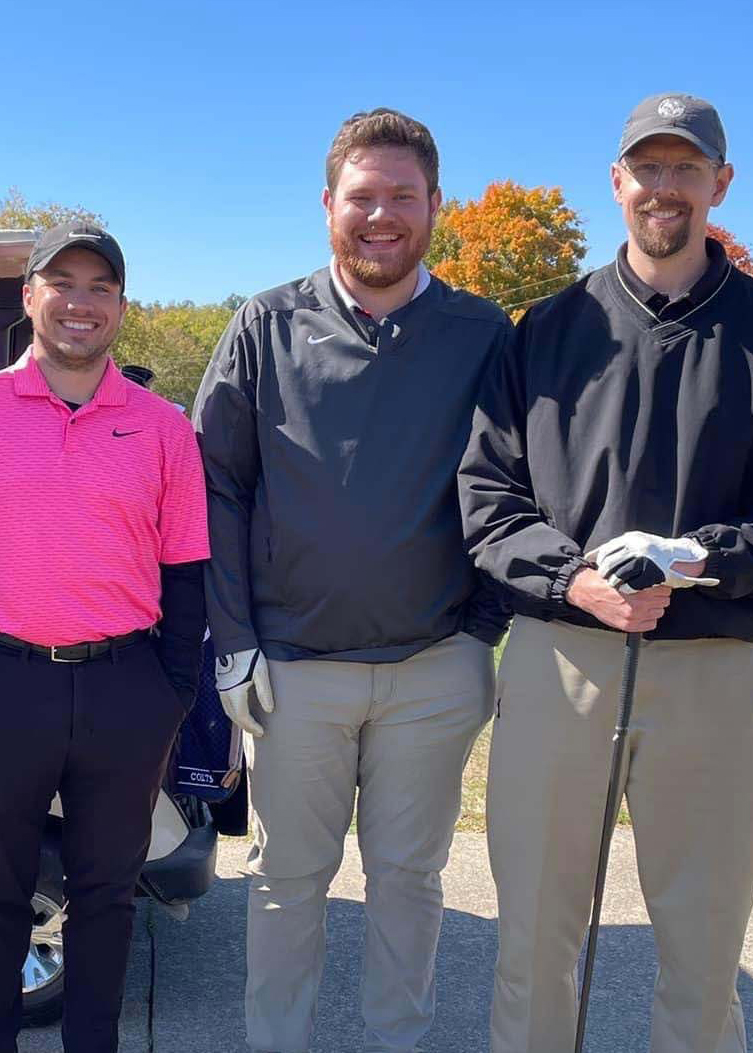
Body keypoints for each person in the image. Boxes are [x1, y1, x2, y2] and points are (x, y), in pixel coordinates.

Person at [458, 93, 753, 1053]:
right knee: (535, 935)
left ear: (720, 183)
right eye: (648, 167)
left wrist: (702, 559)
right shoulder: (544, 333)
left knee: (704, 942)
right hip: (564, 661)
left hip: (712, 670)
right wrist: (570, 581)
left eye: (686, 167)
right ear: (616, 182)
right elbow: (487, 495)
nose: (664, 186)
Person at [191, 108, 511, 1053]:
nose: (381, 216)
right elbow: (217, 485)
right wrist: (235, 640)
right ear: (328, 205)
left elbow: (516, 481)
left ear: (435, 207)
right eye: (361, 197)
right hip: (293, 669)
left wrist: (478, 632)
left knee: (409, 883)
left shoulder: (481, 333)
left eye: (401, 197)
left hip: (433, 668)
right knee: (290, 882)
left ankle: (395, 1040)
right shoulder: (265, 324)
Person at [0, 222, 209, 1053]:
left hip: (125, 686)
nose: (81, 302)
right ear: (30, 295)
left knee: (107, 896)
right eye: (62, 282)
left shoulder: (160, 427)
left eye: (100, 287)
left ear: (120, 305)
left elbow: (187, 572)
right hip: (1, 686)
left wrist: (171, 692)